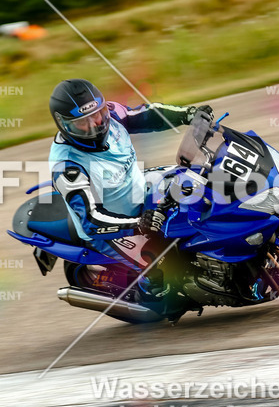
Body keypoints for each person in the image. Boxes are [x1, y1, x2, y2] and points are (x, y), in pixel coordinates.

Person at [47, 78, 211, 310]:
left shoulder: (110, 116)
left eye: (98, 112)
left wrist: (188, 115)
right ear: (64, 124)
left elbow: (147, 114)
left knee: (200, 180)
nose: (97, 123)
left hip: (140, 189)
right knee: (164, 271)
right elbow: (91, 219)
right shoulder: (66, 166)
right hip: (111, 227)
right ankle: (150, 292)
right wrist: (137, 224)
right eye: (83, 122)